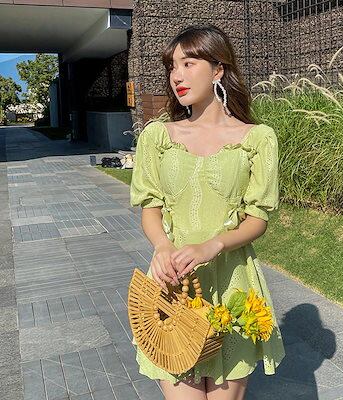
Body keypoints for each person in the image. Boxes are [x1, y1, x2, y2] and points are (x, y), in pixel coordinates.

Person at [130, 23, 285, 400]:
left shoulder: (257, 139)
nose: (176, 76)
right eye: (172, 66)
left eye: (189, 63)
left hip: (232, 284)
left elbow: (258, 219)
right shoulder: (157, 136)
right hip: (171, 284)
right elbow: (150, 208)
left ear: (218, 70)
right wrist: (162, 247)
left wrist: (213, 245)